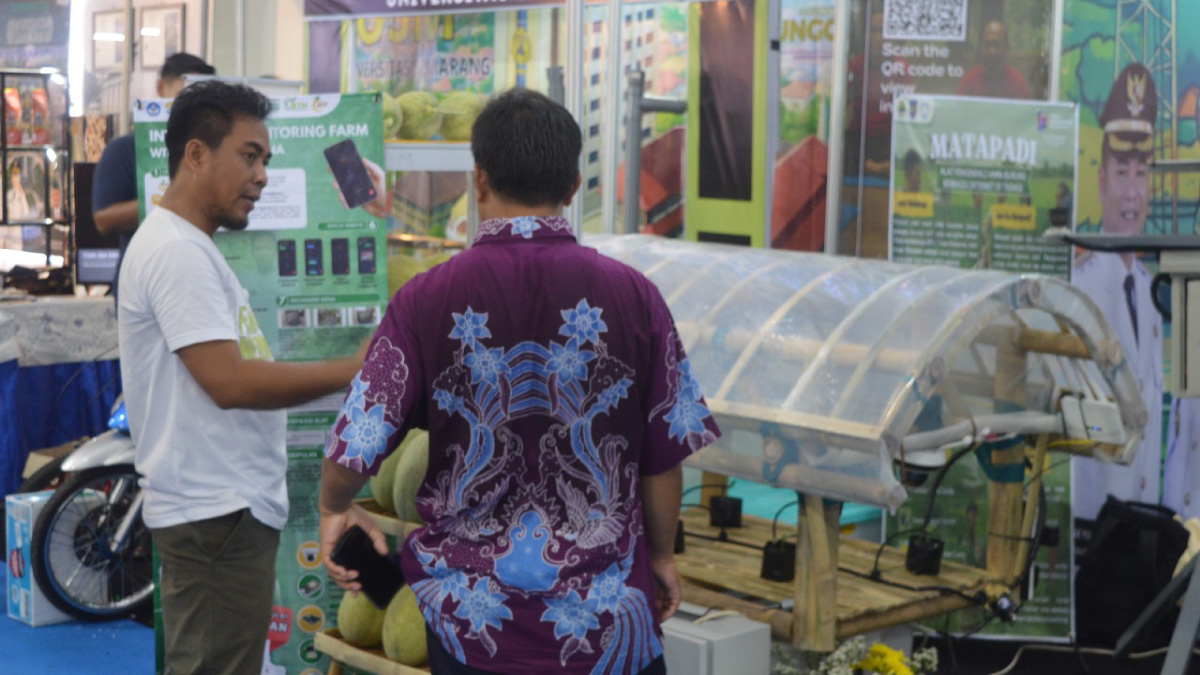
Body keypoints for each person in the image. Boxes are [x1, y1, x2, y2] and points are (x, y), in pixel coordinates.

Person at [318, 88, 721, 675]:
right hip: (605, 626)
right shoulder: (635, 296)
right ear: (574, 187)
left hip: (472, 627)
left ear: (478, 180)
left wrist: (334, 506)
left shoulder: (425, 299)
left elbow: (359, 436)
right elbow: (662, 455)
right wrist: (660, 556)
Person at [117, 80, 365, 675]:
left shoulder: (188, 246)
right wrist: (355, 370)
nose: (261, 177)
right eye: (249, 157)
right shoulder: (176, 252)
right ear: (196, 154)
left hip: (223, 515)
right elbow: (228, 383)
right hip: (214, 517)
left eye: (266, 161)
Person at [1071, 63, 1163, 522]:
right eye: (1122, 172)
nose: (1132, 193)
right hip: (1093, 520)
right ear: (1102, 181)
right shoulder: (1078, 291)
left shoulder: (1151, 291)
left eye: (1141, 174)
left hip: (1143, 518)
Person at [93, 52, 214, 303]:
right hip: (143, 284)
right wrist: (170, 200)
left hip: (201, 277)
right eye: (184, 96)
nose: (191, 108)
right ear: (161, 88)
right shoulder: (125, 149)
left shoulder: (213, 151)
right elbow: (103, 220)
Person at [955, 20, 1031, 100]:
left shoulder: (1018, 83)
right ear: (981, 47)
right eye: (987, 44)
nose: (991, 51)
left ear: (1006, 47)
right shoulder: (969, 80)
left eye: (996, 44)